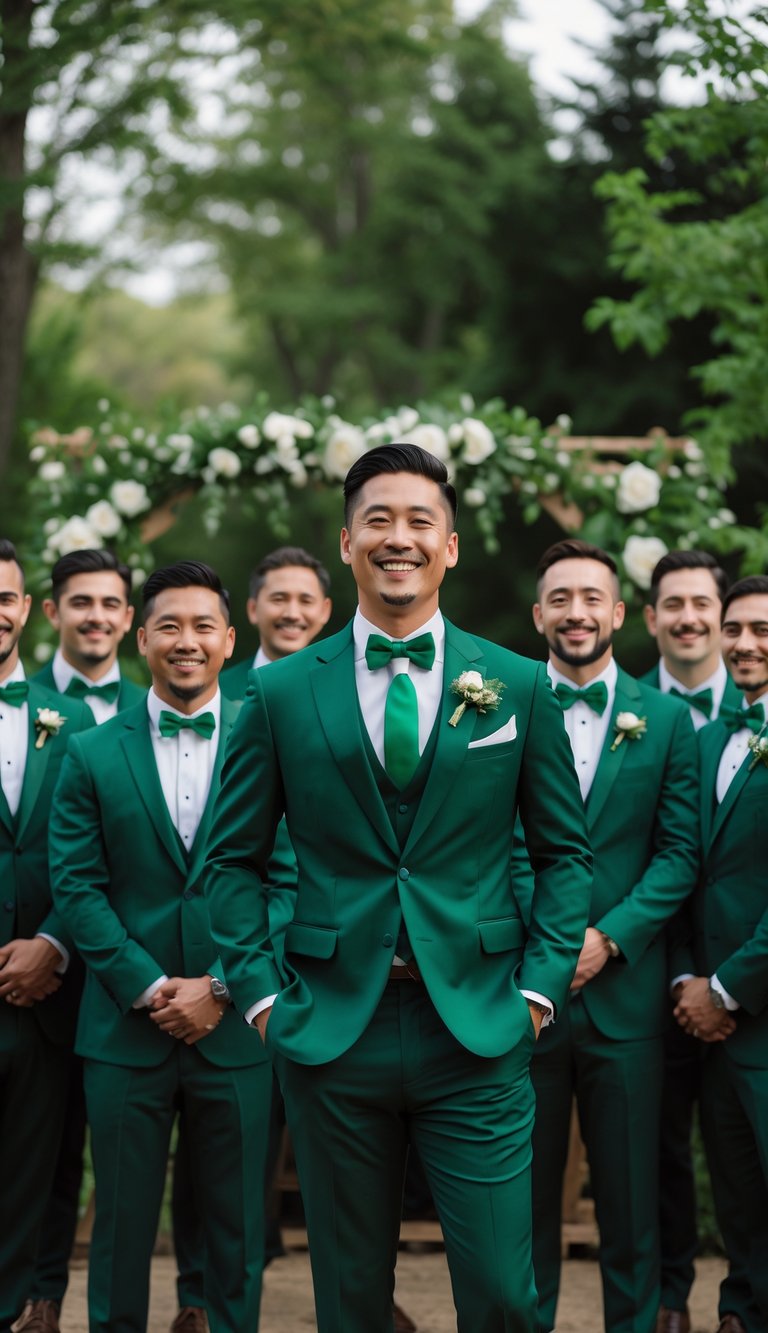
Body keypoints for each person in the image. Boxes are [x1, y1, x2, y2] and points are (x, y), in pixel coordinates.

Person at [204, 442, 593, 1333]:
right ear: (346, 542)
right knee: (350, 1298)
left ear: (450, 545)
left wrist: (538, 988)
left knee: (502, 1291)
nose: (398, 537)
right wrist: (264, 1000)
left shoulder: (521, 687)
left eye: (420, 520)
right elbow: (232, 861)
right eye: (378, 519)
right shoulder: (276, 692)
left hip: (482, 1024)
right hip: (334, 1029)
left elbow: (565, 855)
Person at [49, 562, 271, 1333]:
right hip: (122, 1029)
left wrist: (220, 983)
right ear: (142, 637)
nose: (186, 641)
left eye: (203, 625)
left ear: (229, 638)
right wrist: (148, 986)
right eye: (169, 625)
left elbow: (296, 875)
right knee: (118, 1232)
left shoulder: (267, 736)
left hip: (240, 1024)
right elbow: (76, 886)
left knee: (238, 1230)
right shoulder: (88, 750)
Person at [514, 538, 699, 1333]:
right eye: (561, 598)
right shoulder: (501, 705)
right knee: (522, 1200)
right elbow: (491, 843)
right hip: (526, 995)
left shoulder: (667, 721)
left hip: (627, 1002)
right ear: (539, 614)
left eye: (592, 598)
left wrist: (611, 937)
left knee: (630, 1203)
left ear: (620, 614)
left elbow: (679, 852)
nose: (577, 612)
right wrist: (558, 942)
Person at [14, 550, 147, 1333]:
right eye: (80, 602)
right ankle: (40, 1293)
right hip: (35, 969)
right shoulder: (16, 702)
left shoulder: (157, 700)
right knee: (48, 1143)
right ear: (52, 612)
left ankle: (189, 1296)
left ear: (129, 617)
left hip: (124, 961)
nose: (95, 616)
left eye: (110, 603)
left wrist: (63, 939)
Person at [640, 549, 742, 1333]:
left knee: (748, 1147)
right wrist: (679, 978)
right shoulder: (626, 709)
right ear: (651, 618)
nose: (688, 619)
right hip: (657, 978)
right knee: (660, 1148)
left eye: (702, 604)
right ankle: (669, 1296)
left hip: (750, 974)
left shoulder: (760, 707)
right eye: (672, 604)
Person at [672, 575, 768, 1333]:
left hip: (756, 1001)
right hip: (709, 1018)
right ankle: (739, 1311)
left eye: (763, 629)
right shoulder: (701, 738)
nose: (744, 642)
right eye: (735, 628)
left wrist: (729, 987)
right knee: (737, 1185)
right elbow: (681, 866)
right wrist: (687, 984)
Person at [0, 539, 91, 1333]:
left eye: (6, 596)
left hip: (43, 990)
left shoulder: (74, 726)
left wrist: (55, 943)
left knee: (28, 1179)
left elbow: (97, 852)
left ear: (27, 609)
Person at [219, 545, 331, 700]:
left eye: (305, 601)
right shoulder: (218, 690)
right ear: (253, 609)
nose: (292, 614)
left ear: (325, 611)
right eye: (279, 599)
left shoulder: (345, 688)